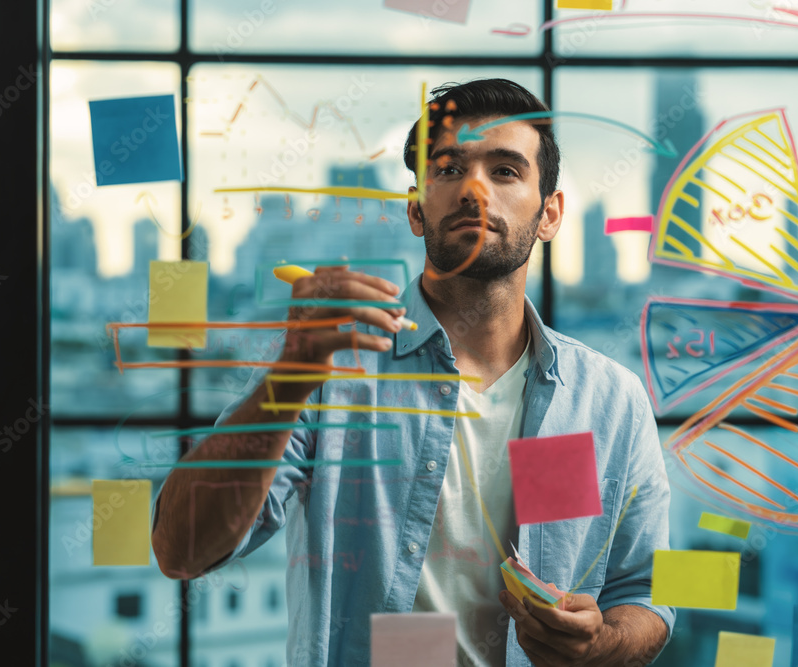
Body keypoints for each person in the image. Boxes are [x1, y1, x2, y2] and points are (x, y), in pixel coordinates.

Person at [151, 78, 674, 666]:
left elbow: (646, 594)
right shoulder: (327, 366)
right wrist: (292, 374)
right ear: (416, 211)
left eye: (505, 171)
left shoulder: (608, 400)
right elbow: (183, 550)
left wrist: (603, 643)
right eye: (449, 170)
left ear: (549, 213)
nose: (474, 189)